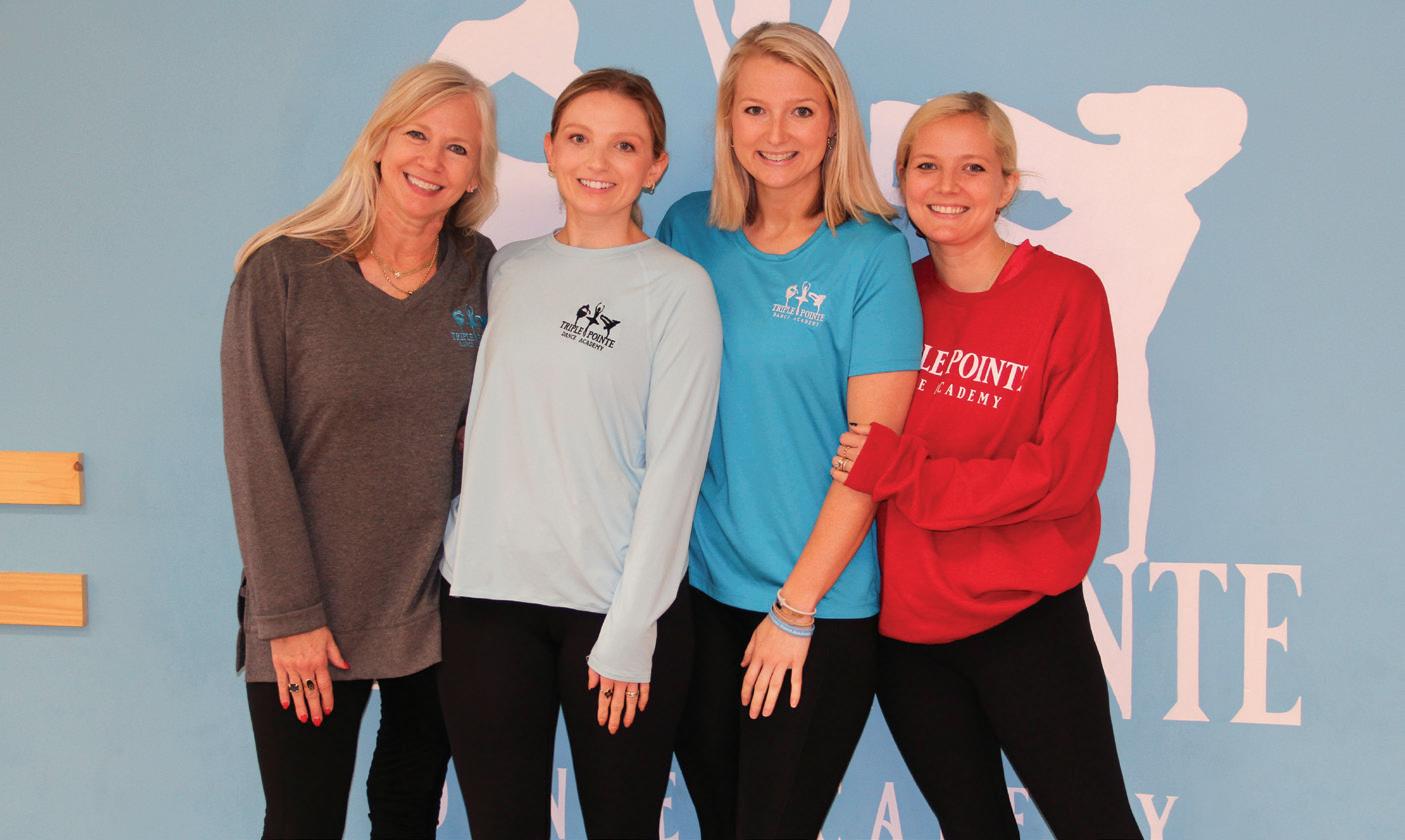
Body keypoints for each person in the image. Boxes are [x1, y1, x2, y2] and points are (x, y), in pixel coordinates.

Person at [831, 92, 1143, 839]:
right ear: (901, 180)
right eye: (926, 166)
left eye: (973, 168)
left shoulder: (1067, 294)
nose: (947, 186)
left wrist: (907, 473)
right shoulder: (891, 295)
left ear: (1008, 185)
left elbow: (1064, 475)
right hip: (905, 634)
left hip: (1023, 621)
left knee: (1096, 826)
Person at [436, 68, 721, 840]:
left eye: (624, 145)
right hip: (486, 601)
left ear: (655, 166)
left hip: (611, 607)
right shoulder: (505, 268)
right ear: (550, 150)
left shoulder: (678, 288)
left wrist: (630, 629)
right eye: (579, 138)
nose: (598, 160)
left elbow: (675, 469)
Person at [655, 22, 921, 839]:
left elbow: (870, 458)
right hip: (697, 596)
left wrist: (794, 611)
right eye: (755, 110)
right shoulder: (687, 230)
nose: (776, 133)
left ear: (833, 123)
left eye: (801, 110)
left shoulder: (871, 253)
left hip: (813, 606)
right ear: (727, 122)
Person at [221, 61, 498, 839]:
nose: (432, 160)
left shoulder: (481, 274)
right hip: (308, 610)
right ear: (379, 142)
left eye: (457, 148)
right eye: (417, 134)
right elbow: (253, 451)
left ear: (476, 173)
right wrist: (289, 615)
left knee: (407, 819)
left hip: (434, 610)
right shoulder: (282, 271)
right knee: (302, 823)